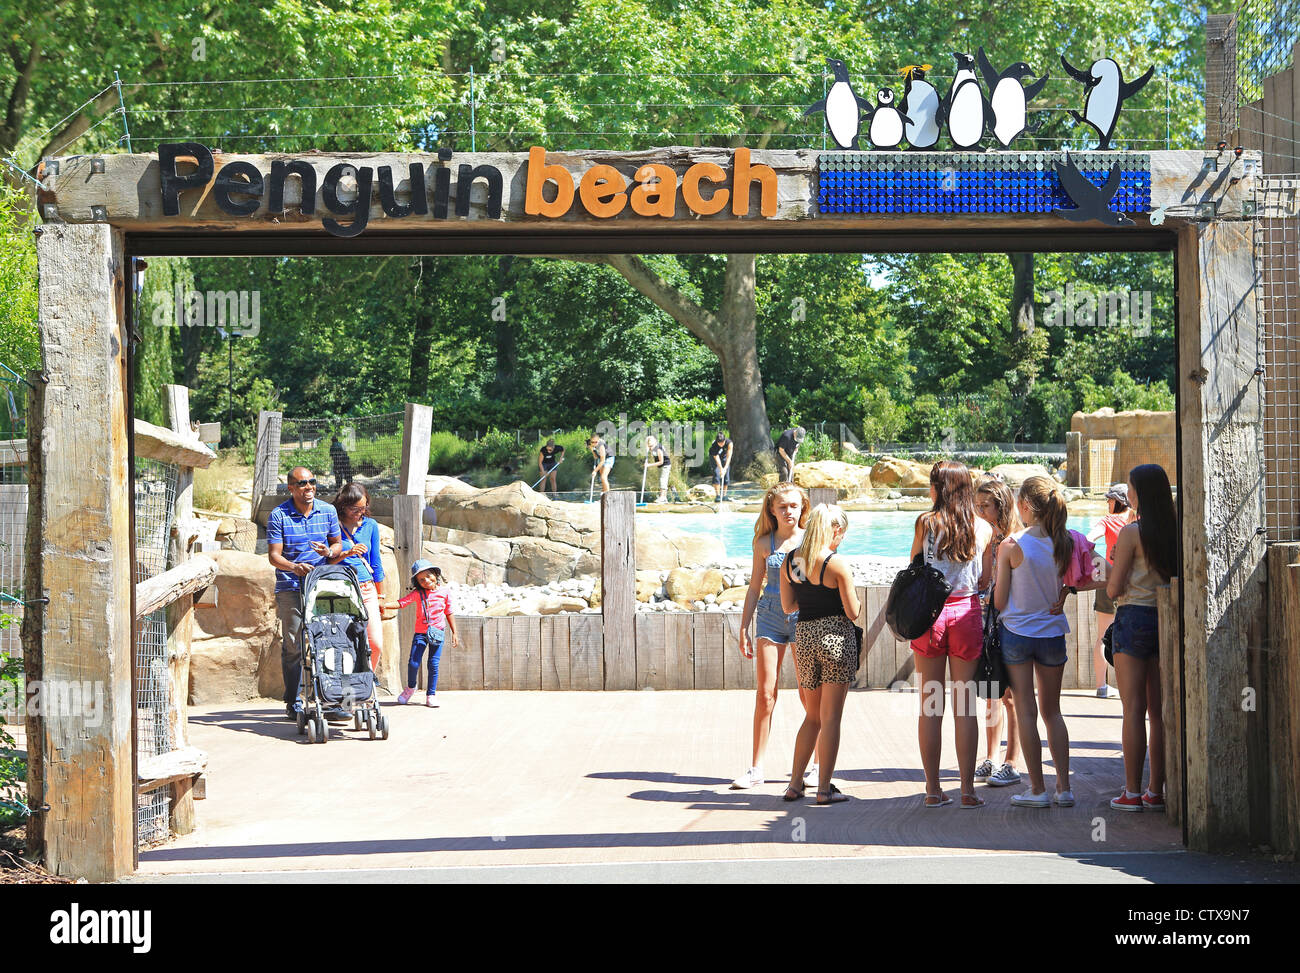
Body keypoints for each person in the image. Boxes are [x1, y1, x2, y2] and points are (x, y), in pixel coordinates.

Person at [910, 460, 993, 809]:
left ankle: (932, 789)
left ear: (939, 488)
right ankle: (968, 791)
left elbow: (913, 565)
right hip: (966, 614)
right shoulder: (984, 527)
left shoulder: (926, 523)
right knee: (965, 707)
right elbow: (986, 580)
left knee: (931, 705)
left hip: (930, 616)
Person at [994, 476, 1076, 809]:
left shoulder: (1012, 545)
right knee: (1053, 710)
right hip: (1052, 634)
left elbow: (1000, 601)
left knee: (1026, 711)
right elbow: (1092, 574)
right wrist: (1067, 591)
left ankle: (1037, 789)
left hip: (1017, 633)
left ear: (1026, 506)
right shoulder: (1065, 543)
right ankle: (1065, 788)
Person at [732, 483, 818, 790]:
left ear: (802, 507)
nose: (789, 512)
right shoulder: (763, 543)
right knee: (765, 694)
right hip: (769, 616)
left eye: (794, 506)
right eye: (782, 507)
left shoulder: (812, 539)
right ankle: (756, 768)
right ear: (772, 509)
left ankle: (818, 763)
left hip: (803, 616)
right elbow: (755, 586)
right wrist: (744, 627)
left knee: (809, 693)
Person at [1107, 464, 1178, 812]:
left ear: (1141, 493)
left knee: (1132, 709)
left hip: (1133, 617)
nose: (1128, 494)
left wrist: (1106, 573)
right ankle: (1156, 790)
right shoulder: (1175, 531)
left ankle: (1132, 792)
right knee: (1158, 711)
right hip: (1166, 618)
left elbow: (1114, 588)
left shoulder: (1131, 534)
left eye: (1131, 489)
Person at [779, 503, 860, 805]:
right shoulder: (836, 564)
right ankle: (824, 789)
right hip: (836, 637)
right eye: (842, 533)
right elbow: (852, 612)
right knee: (831, 719)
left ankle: (794, 783)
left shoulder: (791, 562)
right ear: (835, 530)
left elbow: (789, 607)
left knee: (812, 716)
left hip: (805, 638)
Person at [266, 467, 341, 720]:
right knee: (294, 645)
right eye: (301, 484)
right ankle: (293, 701)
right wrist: (294, 567)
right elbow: (274, 556)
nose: (308, 487)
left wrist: (329, 552)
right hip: (291, 587)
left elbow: (337, 544)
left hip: (321, 585)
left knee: (330, 640)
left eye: (311, 482)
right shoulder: (279, 515)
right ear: (290, 488)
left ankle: (331, 699)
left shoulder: (328, 511)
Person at [973, 475, 1023, 789]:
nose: (978, 511)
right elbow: (981, 580)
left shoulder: (1014, 539)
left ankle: (1012, 761)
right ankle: (991, 756)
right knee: (991, 693)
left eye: (984, 506)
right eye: (976, 505)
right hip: (987, 618)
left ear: (1000, 505)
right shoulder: (985, 537)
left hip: (1011, 620)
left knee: (1012, 697)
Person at [327, 482, 386, 685]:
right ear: (343, 505)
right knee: (346, 643)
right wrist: (347, 553)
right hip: (341, 589)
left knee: (375, 643)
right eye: (355, 509)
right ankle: (346, 689)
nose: (360, 513)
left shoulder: (370, 525)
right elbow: (326, 560)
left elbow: (376, 563)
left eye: (364, 507)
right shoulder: (332, 524)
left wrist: (380, 596)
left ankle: (364, 682)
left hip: (367, 588)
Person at [388, 560, 461, 707]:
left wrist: (455, 632)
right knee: (413, 663)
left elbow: (449, 612)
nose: (427, 581)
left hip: (437, 633)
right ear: (417, 582)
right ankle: (410, 688)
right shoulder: (418, 594)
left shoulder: (445, 592)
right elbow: (402, 602)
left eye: (429, 576)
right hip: (420, 633)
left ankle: (431, 695)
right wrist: (385, 606)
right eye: (422, 579)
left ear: (435, 574)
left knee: (433, 664)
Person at [1086, 483, 1135, 697]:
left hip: (1107, 581)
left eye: (1110, 499)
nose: (1107, 503)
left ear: (1118, 501)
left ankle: (1101, 687)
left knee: (1101, 636)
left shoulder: (1107, 521)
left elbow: (1087, 540)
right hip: (1132, 583)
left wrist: (1099, 565)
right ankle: (1130, 686)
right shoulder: (1134, 520)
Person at [644, 436, 670, 503]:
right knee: (661, 480)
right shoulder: (652, 447)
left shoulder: (658, 448)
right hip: (660, 466)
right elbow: (650, 449)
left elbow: (661, 461)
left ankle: (662, 497)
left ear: (655, 442)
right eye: (649, 446)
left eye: (651, 445)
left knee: (663, 480)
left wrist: (649, 465)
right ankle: (664, 498)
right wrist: (648, 449)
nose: (650, 448)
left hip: (665, 465)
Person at [709, 431, 733, 501]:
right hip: (715, 458)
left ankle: (724, 495)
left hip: (725, 457)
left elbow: (729, 456)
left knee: (726, 476)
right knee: (717, 474)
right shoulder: (714, 445)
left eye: (722, 442)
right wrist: (721, 468)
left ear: (724, 440)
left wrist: (725, 468)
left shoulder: (729, 443)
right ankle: (718, 495)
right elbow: (716, 458)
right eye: (719, 443)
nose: (721, 444)